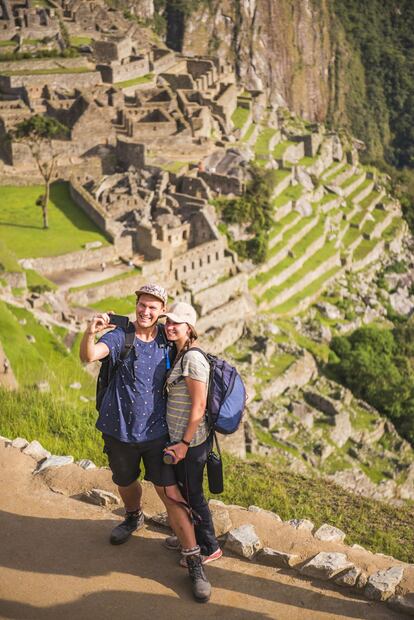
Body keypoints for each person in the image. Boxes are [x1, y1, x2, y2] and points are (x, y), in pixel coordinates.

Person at [79, 284, 211, 603]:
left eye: (153, 307)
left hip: (156, 435)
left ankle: (194, 561)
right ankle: (133, 515)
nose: (146, 311)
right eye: (142, 305)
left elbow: (192, 347)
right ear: (135, 305)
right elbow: (90, 355)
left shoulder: (167, 339)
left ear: (161, 311)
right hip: (119, 428)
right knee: (125, 481)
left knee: (170, 493)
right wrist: (89, 332)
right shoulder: (119, 337)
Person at [162, 301, 222, 567]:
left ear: (190, 328)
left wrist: (184, 444)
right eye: (168, 322)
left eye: (176, 323)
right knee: (185, 492)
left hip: (191, 443)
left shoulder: (193, 358)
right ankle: (189, 535)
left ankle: (209, 547)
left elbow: (198, 406)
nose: (170, 326)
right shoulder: (180, 353)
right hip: (182, 441)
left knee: (193, 494)